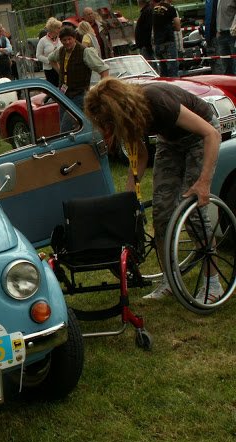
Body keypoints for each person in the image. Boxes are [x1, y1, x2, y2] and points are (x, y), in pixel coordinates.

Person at [84, 77, 223, 303]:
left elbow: (211, 134)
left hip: (200, 136)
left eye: (108, 120)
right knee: (161, 212)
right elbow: (140, 156)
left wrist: (204, 182)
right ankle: (170, 279)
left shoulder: (157, 100)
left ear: (117, 108)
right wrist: (129, 196)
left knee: (194, 212)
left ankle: (213, 283)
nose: (106, 125)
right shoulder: (128, 116)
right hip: (170, 142)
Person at [48, 26, 109, 111]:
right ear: (60, 41)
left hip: (79, 95)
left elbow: (104, 69)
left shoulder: (85, 52)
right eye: (64, 40)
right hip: (64, 94)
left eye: (69, 39)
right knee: (62, 119)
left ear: (74, 38)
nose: (67, 42)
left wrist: (101, 90)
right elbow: (50, 59)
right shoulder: (61, 51)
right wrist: (61, 73)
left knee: (68, 120)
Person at [152, 0, 181, 77]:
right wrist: (172, 28)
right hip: (168, 43)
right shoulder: (170, 8)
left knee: (163, 71)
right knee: (173, 71)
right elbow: (178, 26)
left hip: (158, 44)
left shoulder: (155, 9)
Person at [36, 17, 62, 87]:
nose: (60, 29)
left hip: (61, 67)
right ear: (53, 29)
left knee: (63, 87)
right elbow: (38, 55)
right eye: (58, 28)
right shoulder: (43, 40)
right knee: (53, 88)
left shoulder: (61, 39)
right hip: (49, 69)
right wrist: (49, 60)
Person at [216, 0, 236, 75]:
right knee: (226, 66)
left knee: (234, 65)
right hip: (221, 35)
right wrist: (217, 31)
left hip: (233, 35)